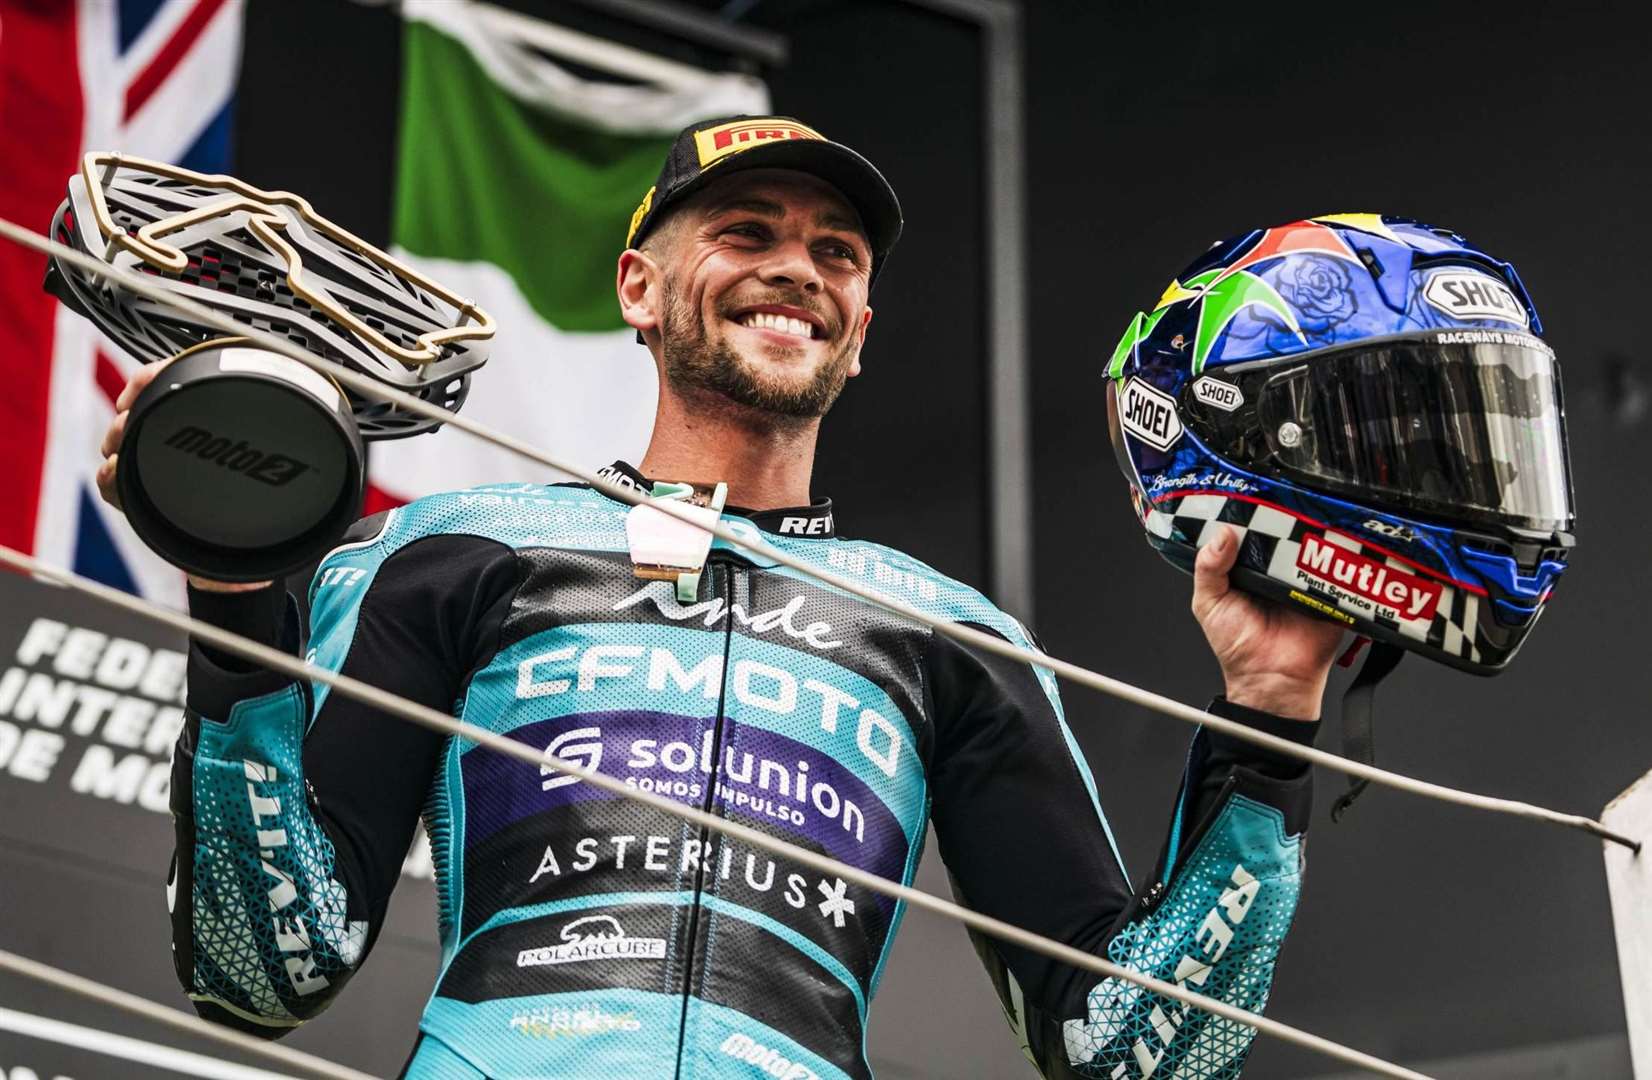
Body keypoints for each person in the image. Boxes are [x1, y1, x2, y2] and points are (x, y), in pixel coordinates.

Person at [99, 116, 1344, 1079]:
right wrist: (235, 589)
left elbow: (1134, 1053)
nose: (795, 268)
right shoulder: (454, 551)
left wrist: (1271, 713)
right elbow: (258, 969)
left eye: (834, 254)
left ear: (859, 328)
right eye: (746, 233)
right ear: (639, 288)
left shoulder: (949, 634)